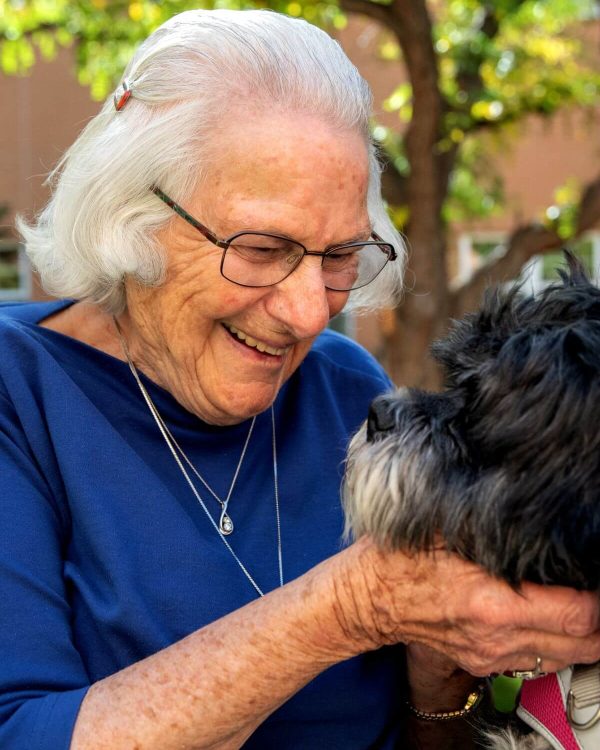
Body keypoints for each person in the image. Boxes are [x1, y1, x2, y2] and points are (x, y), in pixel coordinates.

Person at [1, 9, 599, 750]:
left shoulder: (346, 386)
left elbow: (415, 734)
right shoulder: (18, 390)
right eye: (262, 248)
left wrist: (439, 676)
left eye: (340, 256)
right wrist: (353, 607)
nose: (310, 312)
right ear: (133, 214)